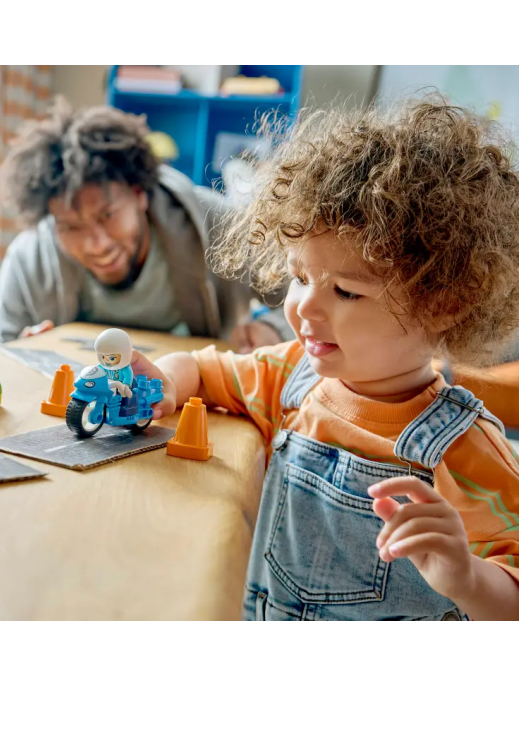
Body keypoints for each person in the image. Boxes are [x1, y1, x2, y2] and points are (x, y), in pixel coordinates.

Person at [133, 95, 519, 621]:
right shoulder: (289, 373)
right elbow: (204, 370)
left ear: (444, 305)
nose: (303, 305)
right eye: (299, 277)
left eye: (346, 291)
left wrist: (469, 578)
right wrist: (163, 381)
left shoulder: (468, 450)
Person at [0, 97, 292, 352]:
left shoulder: (219, 224)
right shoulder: (29, 257)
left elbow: (302, 288)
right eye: (71, 227)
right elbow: (1, 350)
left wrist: (273, 328)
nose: (97, 244)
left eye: (106, 216)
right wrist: (22, 354)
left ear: (139, 195)